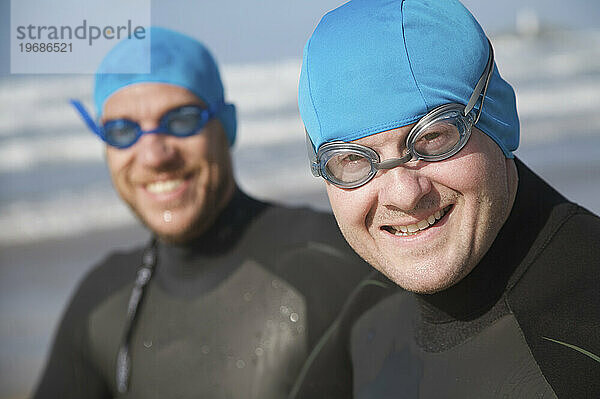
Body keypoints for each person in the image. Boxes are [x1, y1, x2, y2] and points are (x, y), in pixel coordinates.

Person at [33, 27, 369, 399]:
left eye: (181, 120)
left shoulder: (335, 263)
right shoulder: (100, 300)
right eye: (122, 130)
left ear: (227, 126)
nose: (154, 155)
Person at [293, 0, 600, 397]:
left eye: (433, 137)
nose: (404, 195)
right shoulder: (366, 312)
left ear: (499, 116)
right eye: (352, 160)